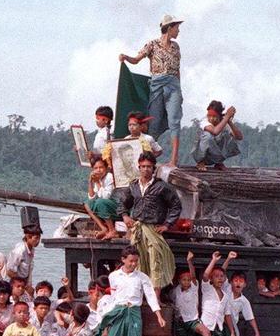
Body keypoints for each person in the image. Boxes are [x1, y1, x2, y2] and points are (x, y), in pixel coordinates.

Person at [118, 14, 186, 166]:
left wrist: (179, 89)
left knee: (174, 120)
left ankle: (173, 160)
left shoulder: (176, 47)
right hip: (157, 84)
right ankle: (147, 159)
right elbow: (136, 59)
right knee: (154, 122)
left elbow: (177, 70)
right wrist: (125, 57)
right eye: (177, 28)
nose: (178, 31)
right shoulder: (152, 45)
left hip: (173, 85)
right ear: (169, 28)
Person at [120, 152, 180, 288]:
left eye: (149, 166)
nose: (146, 169)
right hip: (137, 230)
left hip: (154, 229)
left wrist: (167, 224)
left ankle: (156, 296)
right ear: (139, 167)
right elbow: (123, 203)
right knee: (137, 262)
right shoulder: (134, 186)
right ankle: (139, 293)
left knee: (156, 262)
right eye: (143, 166)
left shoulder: (162, 186)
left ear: (153, 168)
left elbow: (176, 205)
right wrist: (125, 216)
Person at [99, 246, 167, 336]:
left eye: (136, 261)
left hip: (134, 312)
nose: (134, 264)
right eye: (131, 261)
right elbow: (113, 298)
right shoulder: (113, 276)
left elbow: (151, 296)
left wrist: (159, 316)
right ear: (123, 259)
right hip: (118, 312)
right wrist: (107, 321)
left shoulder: (142, 277)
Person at [168, 257, 211, 336]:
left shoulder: (194, 287)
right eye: (184, 279)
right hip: (181, 323)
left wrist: (189, 262)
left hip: (193, 320)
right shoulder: (175, 291)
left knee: (206, 332)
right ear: (179, 281)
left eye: (188, 280)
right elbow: (169, 299)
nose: (187, 282)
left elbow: (193, 276)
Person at [197, 252, 235, 336]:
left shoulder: (225, 296)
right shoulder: (207, 289)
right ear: (211, 279)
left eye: (221, 276)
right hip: (206, 325)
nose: (219, 278)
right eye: (216, 276)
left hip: (218, 328)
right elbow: (205, 275)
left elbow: (227, 315)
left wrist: (232, 332)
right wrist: (213, 260)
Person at [192, 100, 244, 170]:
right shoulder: (204, 121)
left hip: (214, 157)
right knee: (207, 135)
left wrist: (229, 122)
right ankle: (200, 162)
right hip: (201, 155)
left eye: (214, 116)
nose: (211, 119)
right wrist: (227, 117)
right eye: (209, 116)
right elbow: (215, 131)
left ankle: (219, 162)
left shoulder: (224, 121)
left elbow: (239, 137)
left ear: (219, 116)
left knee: (227, 136)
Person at [227, 270, 262, 336]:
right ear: (231, 282)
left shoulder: (244, 301)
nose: (238, 283)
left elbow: (250, 317)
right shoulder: (226, 291)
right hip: (220, 323)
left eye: (241, 281)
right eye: (236, 281)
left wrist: (257, 333)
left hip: (232, 327)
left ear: (245, 284)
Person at [84, 154, 119, 241]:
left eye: (101, 167)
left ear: (106, 168)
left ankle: (112, 230)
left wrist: (97, 183)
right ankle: (104, 228)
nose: (98, 170)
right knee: (87, 204)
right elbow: (91, 197)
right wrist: (90, 181)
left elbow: (106, 196)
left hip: (116, 207)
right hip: (105, 206)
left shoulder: (110, 177)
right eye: (95, 168)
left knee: (100, 202)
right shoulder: (98, 178)